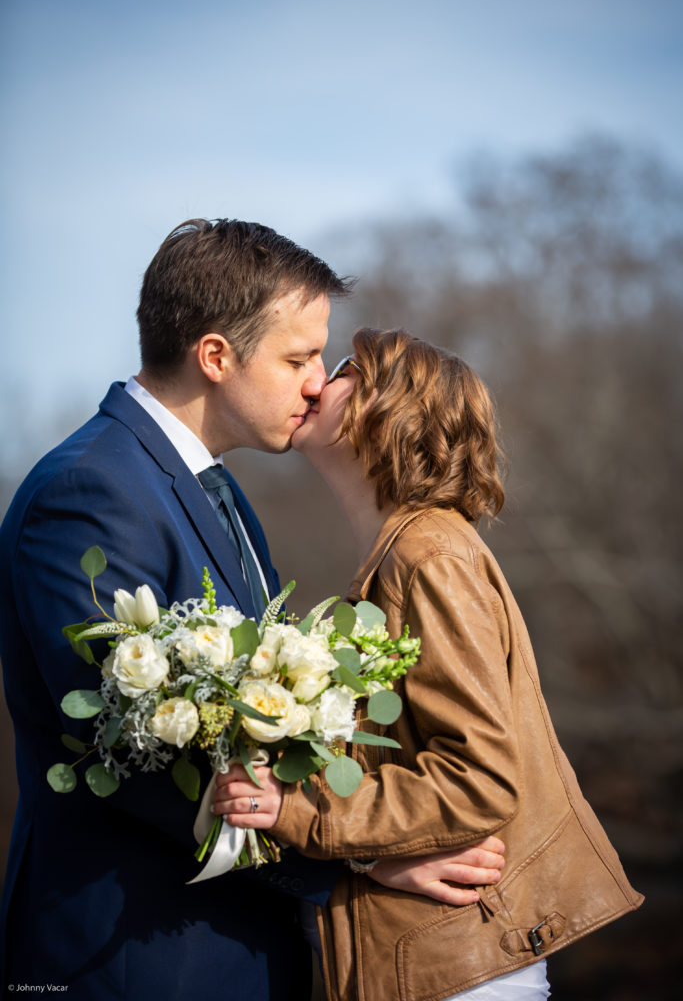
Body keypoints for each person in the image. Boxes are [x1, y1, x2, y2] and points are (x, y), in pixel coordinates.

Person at [0, 223, 504, 1000]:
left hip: (237, 950)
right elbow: (133, 754)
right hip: (135, 958)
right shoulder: (89, 492)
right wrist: (362, 860)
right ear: (214, 357)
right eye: (298, 358)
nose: (316, 383)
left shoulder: (221, 491)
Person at [213, 328, 644, 1000]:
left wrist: (298, 807)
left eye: (350, 369)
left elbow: (477, 779)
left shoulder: (430, 556)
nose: (318, 379)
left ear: (391, 413)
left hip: (456, 968)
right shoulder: (402, 555)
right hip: (428, 956)